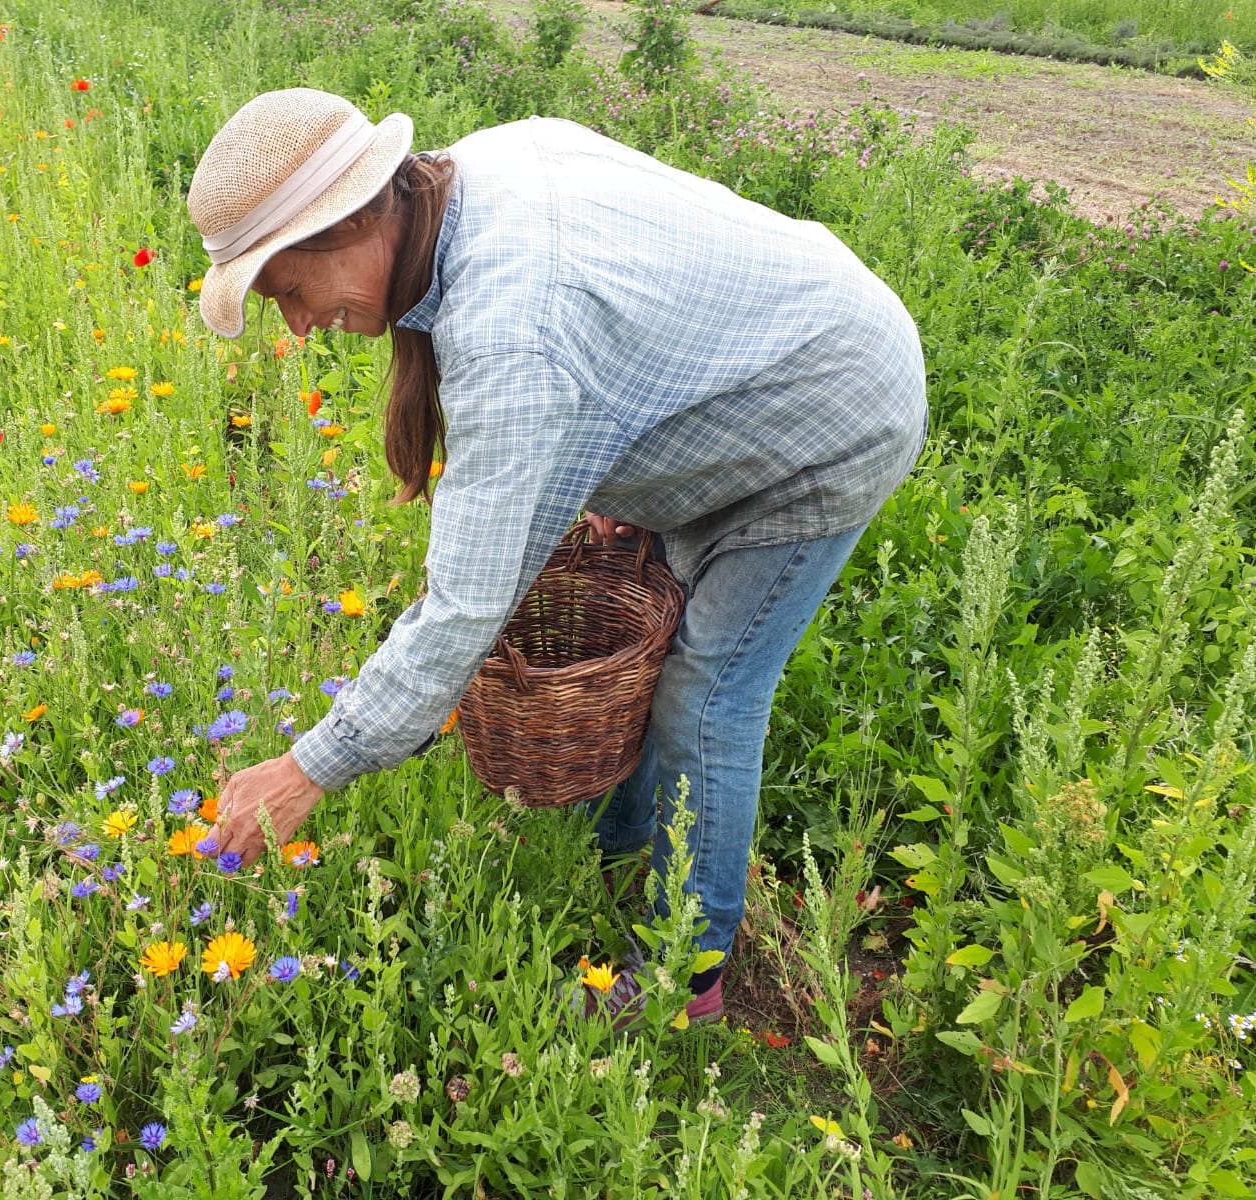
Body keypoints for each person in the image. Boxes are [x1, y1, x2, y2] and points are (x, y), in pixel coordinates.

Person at [189, 88, 927, 1023]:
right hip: (779, 344)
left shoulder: (512, 332)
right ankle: (623, 853)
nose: (297, 327)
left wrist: (306, 770)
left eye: (288, 291)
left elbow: (463, 610)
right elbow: (630, 335)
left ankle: (681, 977)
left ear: (350, 223)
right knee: (665, 664)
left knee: (709, 689)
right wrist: (621, 478)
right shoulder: (468, 178)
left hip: (831, 411)